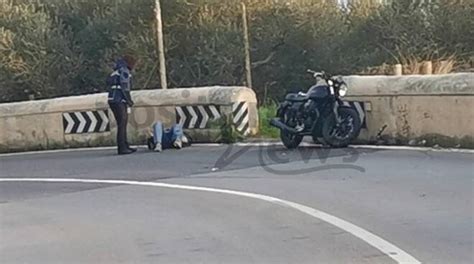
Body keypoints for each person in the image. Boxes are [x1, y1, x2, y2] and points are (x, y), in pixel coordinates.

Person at [107, 55, 137, 155]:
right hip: (119, 100)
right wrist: (129, 100)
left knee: (121, 124)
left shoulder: (115, 71)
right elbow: (125, 88)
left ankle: (125, 145)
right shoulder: (124, 71)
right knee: (122, 124)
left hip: (112, 99)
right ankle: (122, 148)